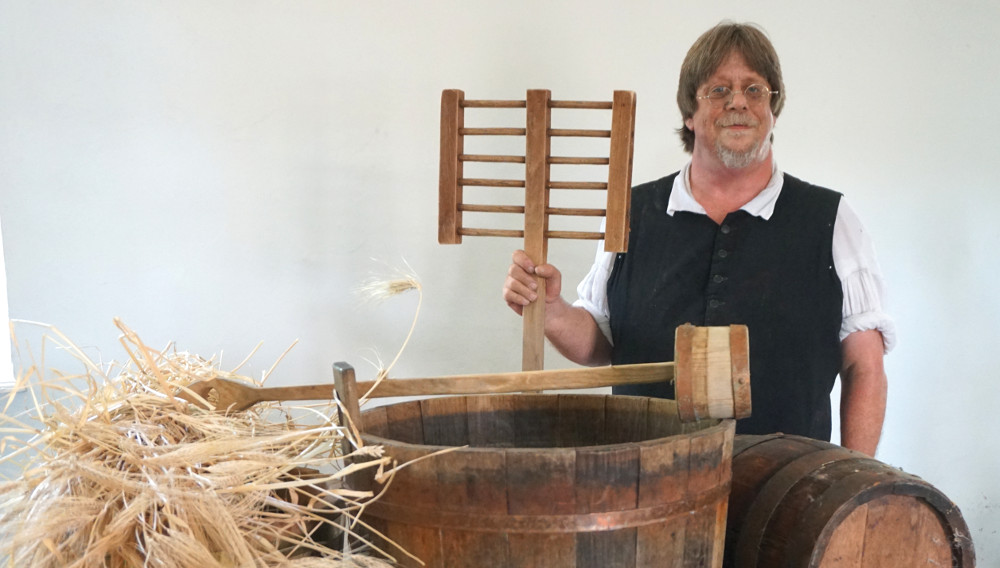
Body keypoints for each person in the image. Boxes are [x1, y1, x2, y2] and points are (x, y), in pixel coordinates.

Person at [502, 22, 893, 457]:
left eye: (755, 89)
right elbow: (600, 344)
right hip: (645, 483)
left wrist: (854, 481)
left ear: (773, 110)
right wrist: (551, 309)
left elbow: (864, 364)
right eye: (719, 90)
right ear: (689, 112)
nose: (738, 102)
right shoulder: (630, 214)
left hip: (785, 493)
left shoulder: (831, 219)